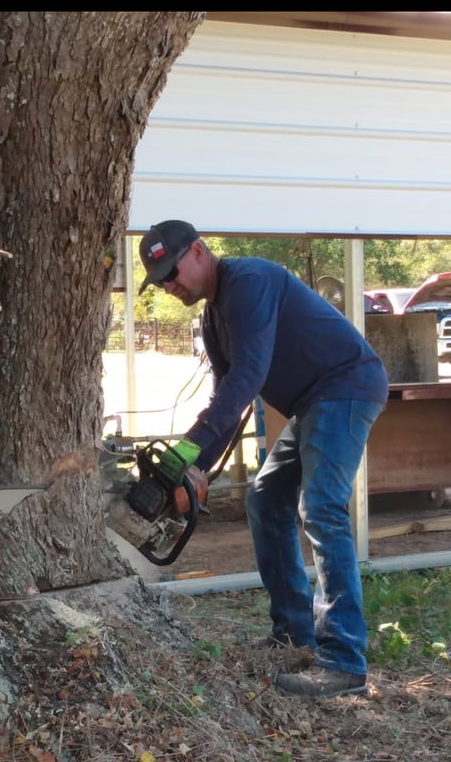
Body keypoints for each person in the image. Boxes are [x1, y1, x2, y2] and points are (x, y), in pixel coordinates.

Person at [138, 220, 389, 699]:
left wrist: (183, 462)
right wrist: (195, 467)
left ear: (197, 250)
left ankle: (344, 661)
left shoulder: (247, 282)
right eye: (161, 281)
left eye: (172, 272)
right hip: (313, 402)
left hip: (346, 385)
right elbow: (225, 401)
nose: (169, 286)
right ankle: (294, 631)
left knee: (321, 510)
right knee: (264, 498)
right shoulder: (214, 317)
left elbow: (247, 379)